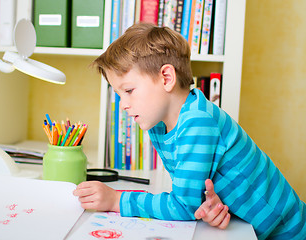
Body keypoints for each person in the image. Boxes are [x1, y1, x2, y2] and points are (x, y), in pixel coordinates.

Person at [74, 23, 306, 239]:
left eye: (129, 90)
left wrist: (117, 200)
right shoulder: (160, 125)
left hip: (290, 232)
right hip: (248, 227)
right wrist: (208, 203)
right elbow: (195, 196)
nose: (123, 104)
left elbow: (183, 205)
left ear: (166, 78)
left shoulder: (197, 121)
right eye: (118, 95)